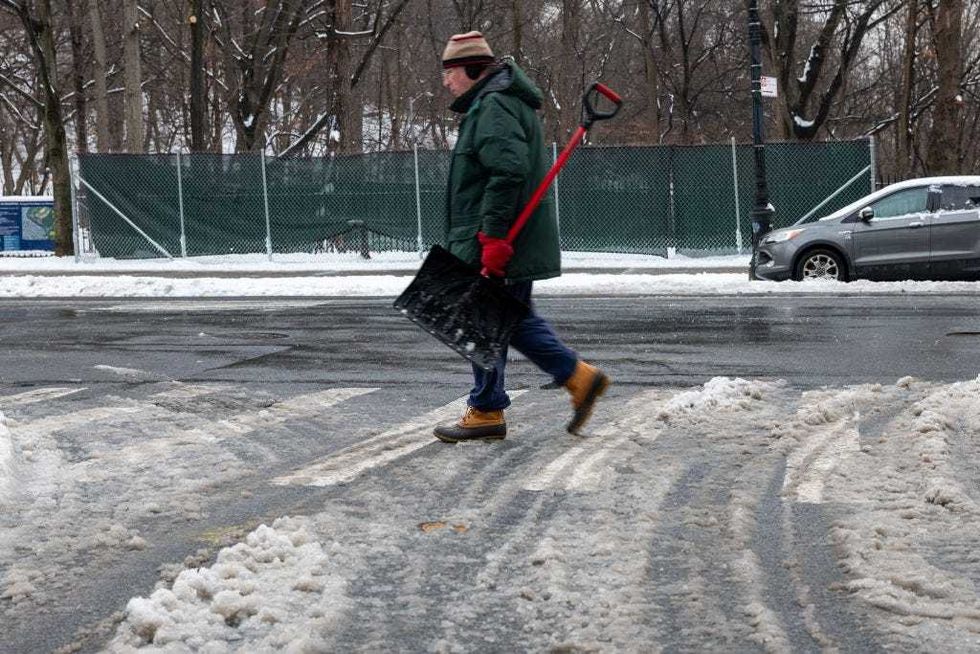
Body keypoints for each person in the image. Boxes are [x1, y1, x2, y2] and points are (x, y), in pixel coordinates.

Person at [432, 31, 610, 443]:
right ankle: (492, 405)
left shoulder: (494, 106)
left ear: (474, 70)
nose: (446, 81)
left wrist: (493, 238)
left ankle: (569, 380)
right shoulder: (494, 102)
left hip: (499, 239)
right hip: (497, 236)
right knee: (496, 320)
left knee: (496, 320)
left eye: (451, 72)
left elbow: (506, 172)